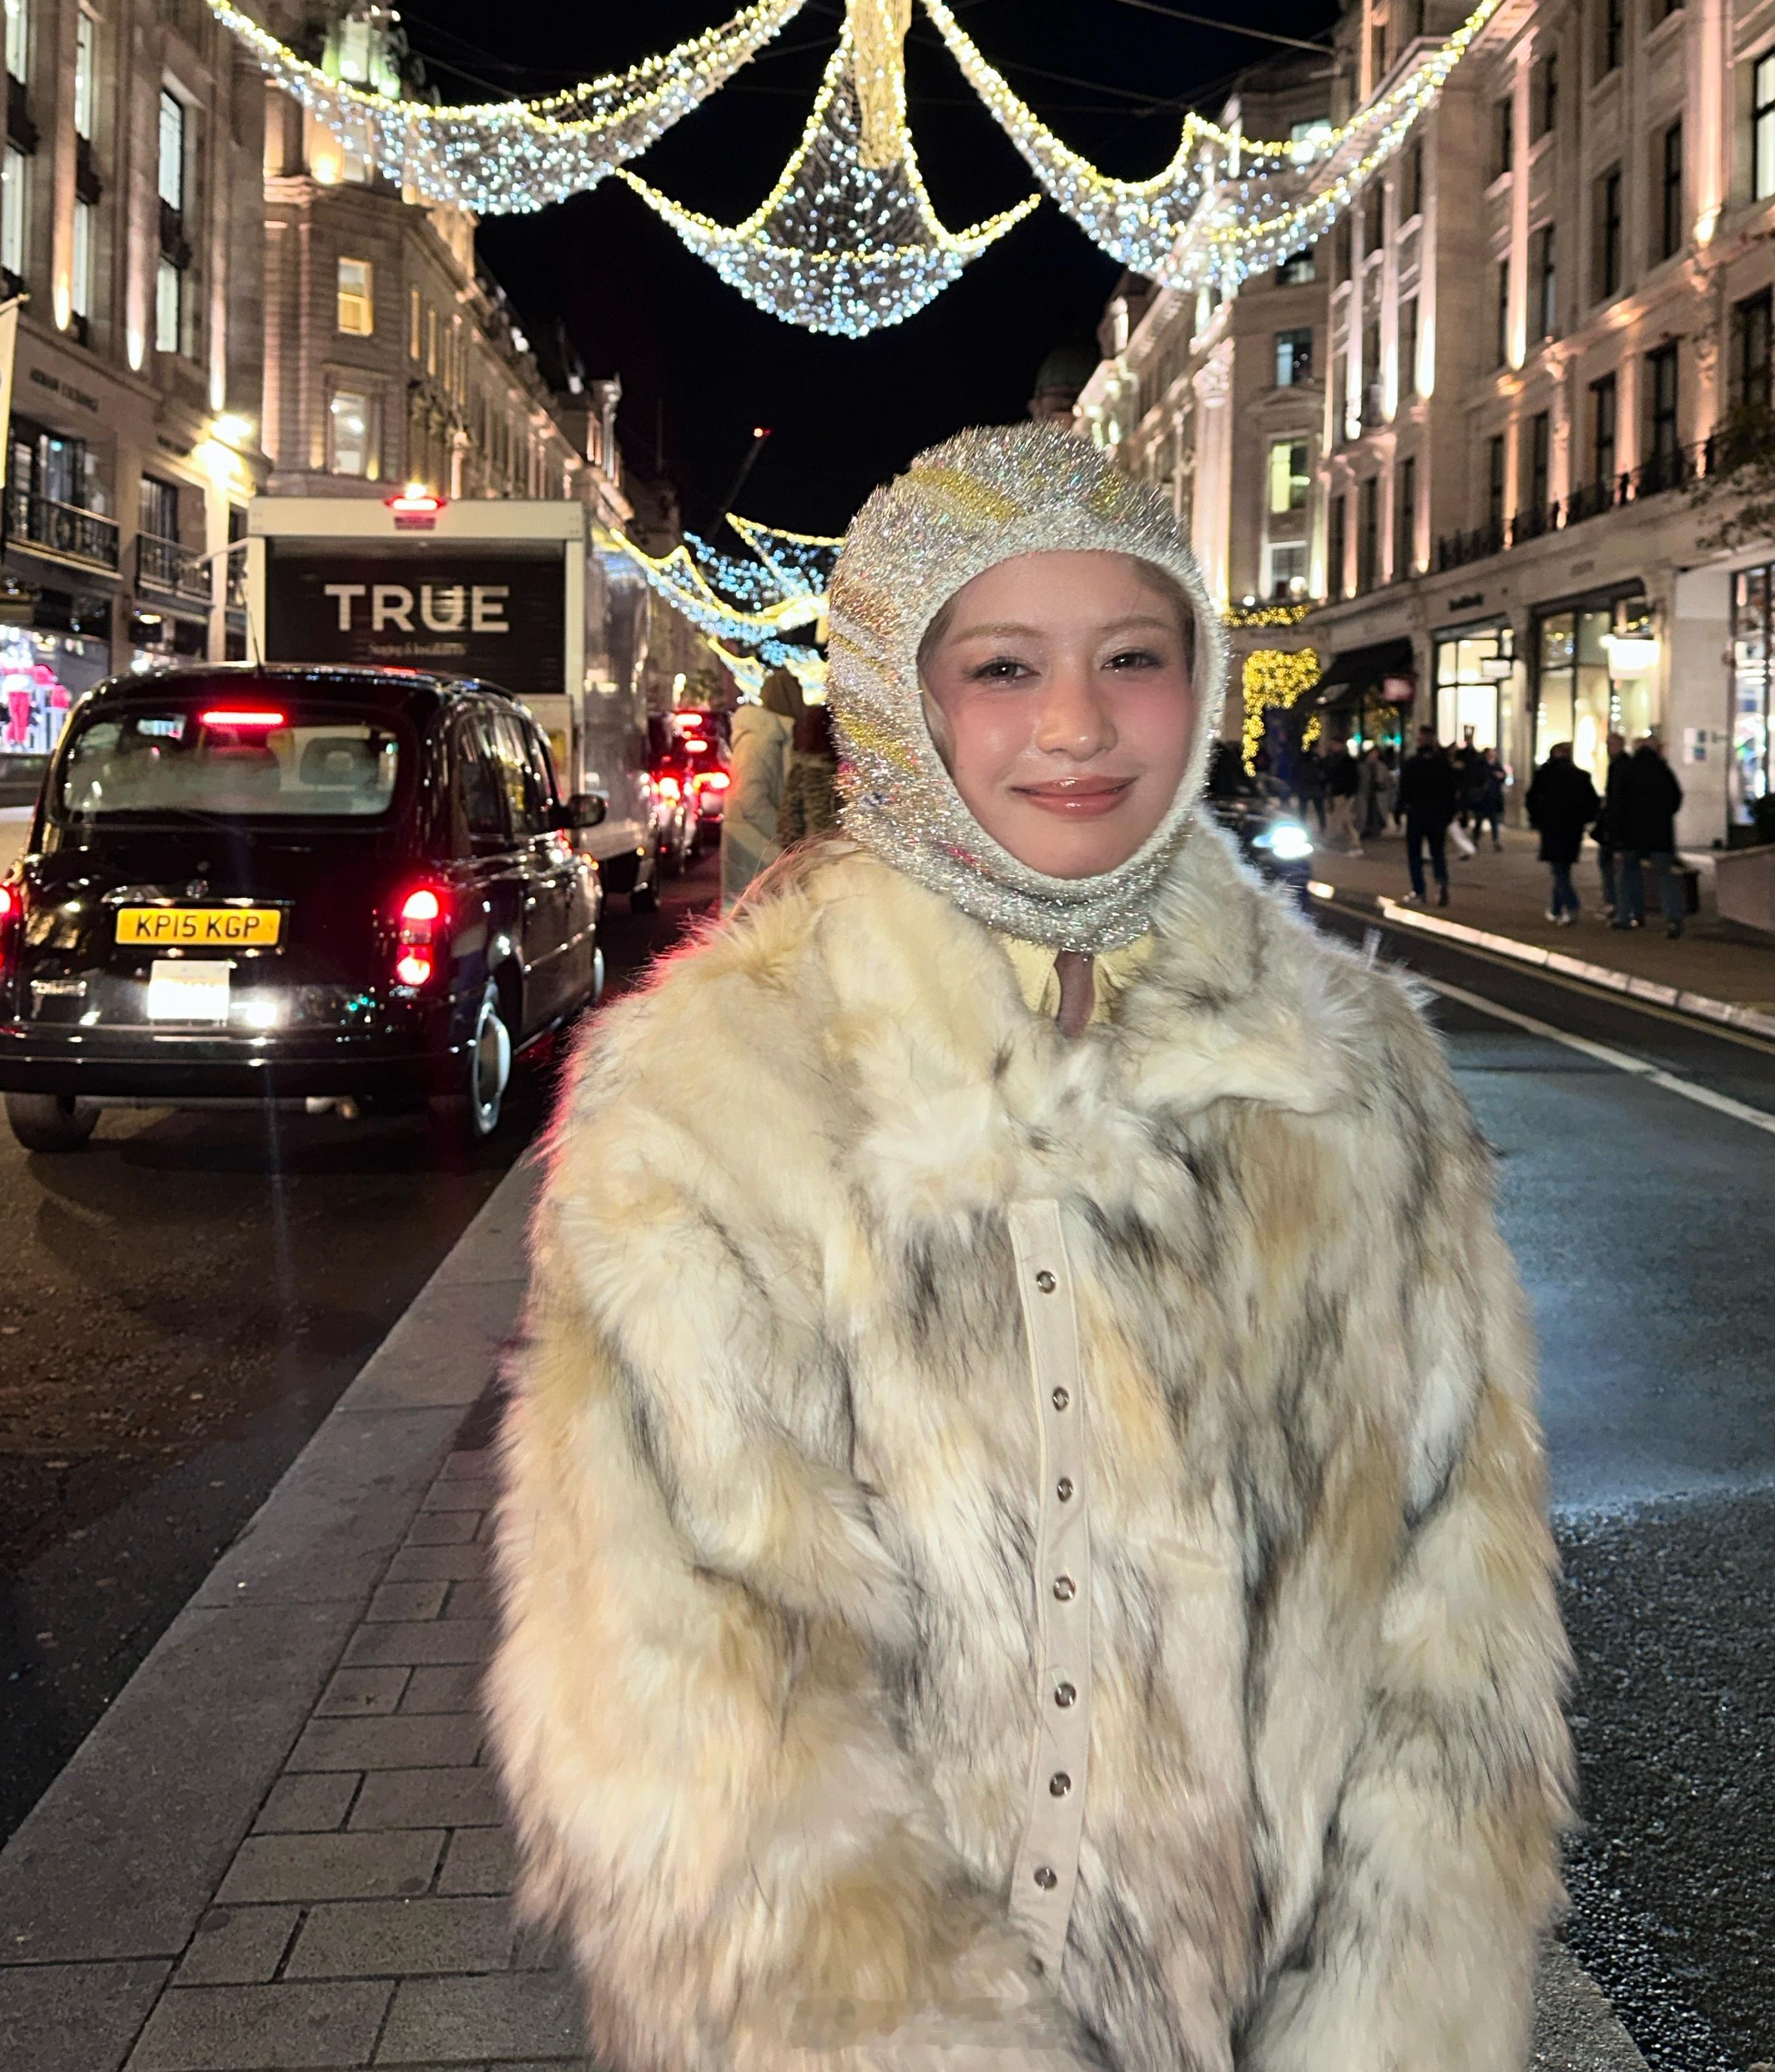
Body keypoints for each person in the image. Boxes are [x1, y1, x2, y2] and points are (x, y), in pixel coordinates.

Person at [489, 428, 1572, 2072]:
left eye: (1134, 657)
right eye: (1004, 666)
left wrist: (1385, 2013)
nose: (1078, 724)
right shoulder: (720, 1089)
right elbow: (673, 1694)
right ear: (903, 704)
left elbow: (1460, 1613)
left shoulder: (1357, 1076)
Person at [719, 664, 802, 909]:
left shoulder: (774, 737)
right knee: (753, 917)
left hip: (762, 848)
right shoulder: (760, 740)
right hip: (755, 849)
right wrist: (786, 837)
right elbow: (751, 799)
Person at [1612, 731, 1686, 937]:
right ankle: (1673, 919)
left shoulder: (1629, 770)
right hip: (1660, 834)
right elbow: (1675, 799)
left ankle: (1627, 915)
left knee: (1628, 874)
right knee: (1665, 876)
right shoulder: (1663, 771)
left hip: (1632, 833)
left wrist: (1617, 832)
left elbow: (1618, 803)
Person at [1525, 741, 1601, 925]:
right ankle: (1556, 908)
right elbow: (1592, 803)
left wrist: (1538, 819)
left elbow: (1532, 799)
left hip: (1552, 828)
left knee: (1559, 871)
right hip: (1572, 830)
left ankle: (1572, 905)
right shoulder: (1580, 776)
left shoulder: (1545, 775)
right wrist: (1583, 820)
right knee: (1562, 868)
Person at [1397, 721, 1457, 904]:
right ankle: (1441, 881)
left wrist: (1400, 810)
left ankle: (1419, 891)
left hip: (1417, 813)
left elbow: (1404, 790)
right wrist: (1451, 813)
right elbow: (1451, 790)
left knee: (1415, 854)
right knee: (1438, 852)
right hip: (1438, 815)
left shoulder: (1412, 764)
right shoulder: (1443, 764)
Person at [779, 701, 843, 845]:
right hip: (848, 850)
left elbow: (789, 824)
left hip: (815, 850)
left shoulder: (801, 772)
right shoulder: (849, 773)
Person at [1596, 728, 1630, 917]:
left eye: (1610, 745)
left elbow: (1617, 799)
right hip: (1619, 825)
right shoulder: (1621, 764)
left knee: (1612, 865)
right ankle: (1617, 905)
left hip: (1617, 827)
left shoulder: (1619, 766)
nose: (1608, 748)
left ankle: (1614, 904)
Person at [1320, 736, 1363, 853]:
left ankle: (1329, 839)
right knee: (1345, 819)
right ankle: (1354, 842)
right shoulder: (1331, 759)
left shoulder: (1347, 760)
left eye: (1334, 744)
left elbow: (1354, 778)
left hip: (1344, 793)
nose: (1332, 747)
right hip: (1336, 792)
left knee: (1338, 817)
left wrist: (1350, 792)